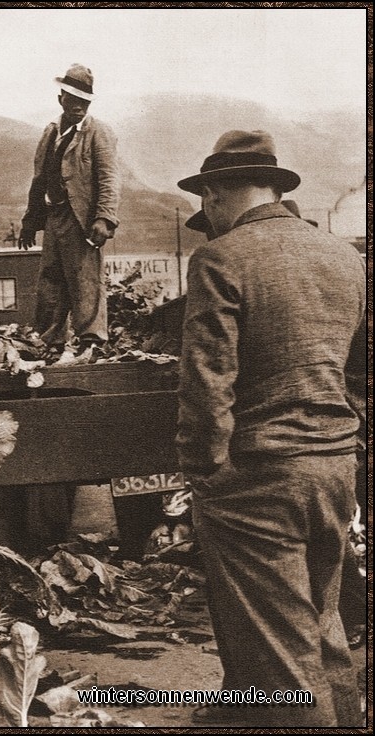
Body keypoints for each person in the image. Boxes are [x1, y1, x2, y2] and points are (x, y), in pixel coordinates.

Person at [175, 130, 365, 727]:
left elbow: (208, 381)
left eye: (206, 200)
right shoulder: (343, 256)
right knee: (321, 623)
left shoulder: (218, 257)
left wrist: (206, 470)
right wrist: (345, 441)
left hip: (259, 480)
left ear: (214, 193)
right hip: (335, 469)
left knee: (280, 655)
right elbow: (360, 373)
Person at [18, 64, 121, 353]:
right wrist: (30, 220)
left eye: (84, 100)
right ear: (61, 98)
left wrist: (104, 218)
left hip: (83, 219)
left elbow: (109, 177)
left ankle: (92, 342)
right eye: (73, 99)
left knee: (85, 278)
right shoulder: (51, 132)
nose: (79, 106)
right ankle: (51, 342)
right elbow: (39, 177)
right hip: (55, 216)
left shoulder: (98, 132)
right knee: (50, 281)